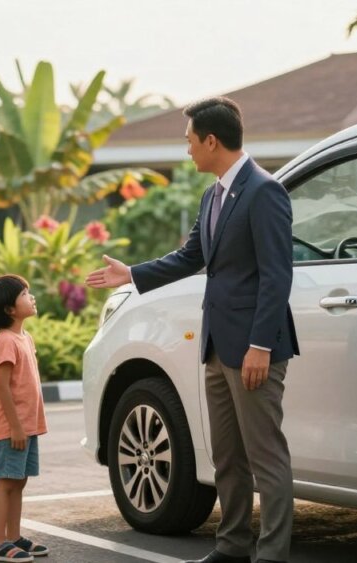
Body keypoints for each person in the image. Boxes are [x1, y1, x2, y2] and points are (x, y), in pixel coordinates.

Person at [87, 96, 299, 563]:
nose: (186, 151)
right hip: (216, 346)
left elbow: (276, 276)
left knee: (266, 456)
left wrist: (261, 345)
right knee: (226, 455)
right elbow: (191, 257)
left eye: (188, 141)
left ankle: (273, 554)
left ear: (211, 140)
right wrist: (133, 274)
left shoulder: (265, 191)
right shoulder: (212, 195)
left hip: (254, 348)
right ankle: (232, 545)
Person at [0, 274, 49, 563]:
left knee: (18, 481)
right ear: (9, 309)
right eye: (25, 294)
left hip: (25, 426)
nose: (31, 297)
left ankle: (13, 535)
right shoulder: (6, 341)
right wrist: (17, 427)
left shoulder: (24, 337)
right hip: (12, 427)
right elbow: (2, 388)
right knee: (6, 481)